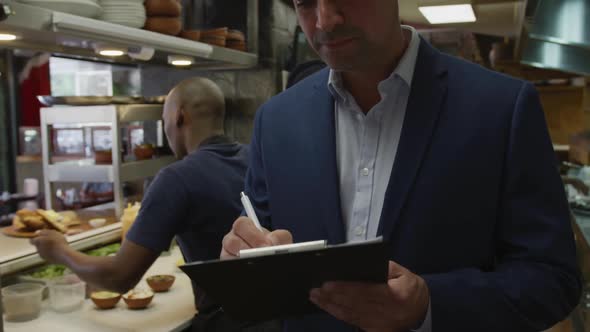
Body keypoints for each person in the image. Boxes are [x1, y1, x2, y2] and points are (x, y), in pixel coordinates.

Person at [220, 1, 581, 331]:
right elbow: (255, 254)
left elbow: (553, 279)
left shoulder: (502, 108)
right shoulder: (276, 121)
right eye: (305, 3)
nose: (325, 20)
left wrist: (429, 304)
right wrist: (240, 261)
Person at [31, 77, 273, 331]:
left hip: (226, 322)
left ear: (179, 116)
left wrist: (59, 251)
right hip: (275, 316)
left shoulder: (177, 178)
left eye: (164, 118)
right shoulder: (253, 158)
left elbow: (119, 276)